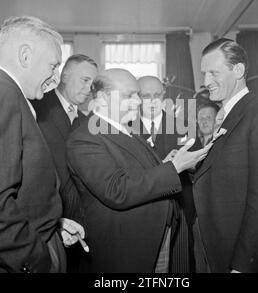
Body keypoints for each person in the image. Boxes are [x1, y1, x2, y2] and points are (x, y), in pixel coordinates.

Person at [66, 68, 212, 273]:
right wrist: (174, 167)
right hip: (125, 249)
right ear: (103, 98)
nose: (138, 101)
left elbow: (138, 173)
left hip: (154, 238)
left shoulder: (127, 130)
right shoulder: (85, 137)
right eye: (129, 96)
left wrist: (165, 165)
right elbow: (117, 190)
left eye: (137, 95)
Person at [0, 16, 84, 273]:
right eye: (53, 66)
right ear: (25, 56)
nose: (55, 79)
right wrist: (37, 260)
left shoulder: (7, 93)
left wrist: (52, 222)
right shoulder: (1, 93)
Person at [192, 38, 258, 273]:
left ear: (239, 70)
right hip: (212, 250)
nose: (205, 82)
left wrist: (243, 266)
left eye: (213, 73)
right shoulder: (225, 115)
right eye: (204, 74)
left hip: (236, 257)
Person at [31, 54, 97, 272]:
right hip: (46, 224)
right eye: (85, 80)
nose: (89, 88)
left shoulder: (86, 122)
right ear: (65, 75)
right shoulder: (36, 107)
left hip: (79, 225)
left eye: (93, 83)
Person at [137, 75, 193, 272]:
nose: (152, 100)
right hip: (140, 214)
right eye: (145, 95)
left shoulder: (183, 126)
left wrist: (185, 163)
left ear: (163, 96)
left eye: (157, 95)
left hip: (178, 211)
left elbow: (198, 168)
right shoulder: (125, 129)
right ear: (136, 98)